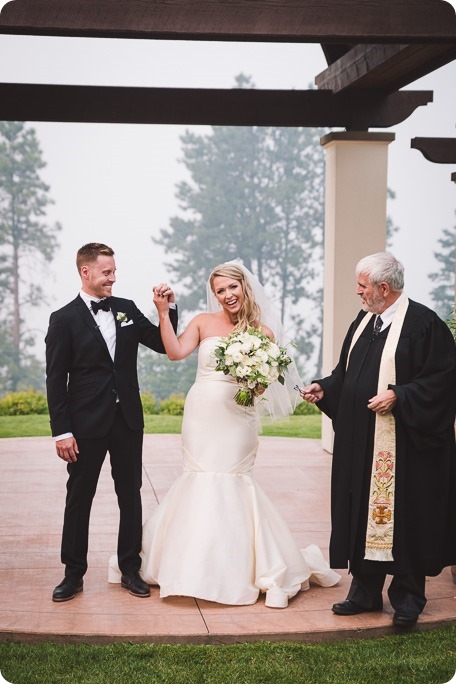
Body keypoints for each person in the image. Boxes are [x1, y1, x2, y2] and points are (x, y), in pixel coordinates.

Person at [108, 261, 341, 607]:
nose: (227, 295)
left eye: (232, 287)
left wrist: (254, 380)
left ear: (244, 287)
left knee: (231, 479)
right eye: (220, 290)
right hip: (201, 414)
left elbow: (261, 388)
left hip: (238, 418)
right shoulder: (202, 322)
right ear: (214, 294)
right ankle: (188, 564)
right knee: (199, 478)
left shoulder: (264, 333)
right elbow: (174, 353)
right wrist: (161, 313)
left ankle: (247, 567)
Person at [300, 252, 456, 627]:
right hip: (361, 443)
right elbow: (349, 372)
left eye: (362, 286)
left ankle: (407, 597)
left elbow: (442, 379)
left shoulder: (423, 324)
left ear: (383, 289)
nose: (358, 292)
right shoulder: (365, 320)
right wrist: (326, 386)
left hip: (403, 447)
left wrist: (400, 395)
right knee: (360, 514)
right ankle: (365, 592)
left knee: (403, 517)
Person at [45, 242, 178, 602]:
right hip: (84, 424)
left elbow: (163, 344)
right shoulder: (64, 319)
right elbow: (56, 380)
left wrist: (168, 310)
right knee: (79, 497)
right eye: (107, 272)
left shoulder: (127, 309)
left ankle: (130, 569)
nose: (113, 278)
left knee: (130, 494)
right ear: (85, 272)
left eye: (115, 271)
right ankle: (73, 574)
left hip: (127, 420)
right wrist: (62, 431)